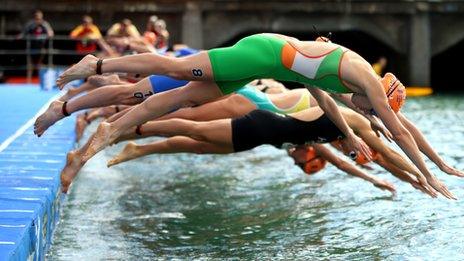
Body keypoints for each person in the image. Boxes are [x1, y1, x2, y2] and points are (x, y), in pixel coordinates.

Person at [51, 33, 455, 198]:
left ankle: (97, 139)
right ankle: (97, 66)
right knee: (172, 72)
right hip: (257, 56)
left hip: (263, 70)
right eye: (377, 108)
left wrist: (435, 167)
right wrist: (427, 174)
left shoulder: (344, 89)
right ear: (381, 95)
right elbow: (399, 133)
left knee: (178, 102)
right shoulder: (366, 80)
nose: (372, 114)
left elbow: (390, 127)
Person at [105, 106, 439, 196]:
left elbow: (375, 159)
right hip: (258, 125)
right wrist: (417, 177)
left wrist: (383, 179)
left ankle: (138, 147)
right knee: (192, 129)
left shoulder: (319, 141)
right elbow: (386, 154)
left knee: (196, 147)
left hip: (256, 137)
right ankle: (127, 129)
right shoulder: (349, 126)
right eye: (301, 164)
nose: (295, 161)